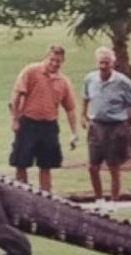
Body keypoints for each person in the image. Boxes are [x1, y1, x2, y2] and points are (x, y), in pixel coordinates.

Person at [8, 44, 79, 193]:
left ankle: (46, 196)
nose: (54, 64)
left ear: (62, 62)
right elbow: (16, 96)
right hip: (28, 122)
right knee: (22, 161)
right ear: (46, 57)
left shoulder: (63, 81)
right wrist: (14, 119)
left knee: (46, 164)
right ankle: (21, 194)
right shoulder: (31, 71)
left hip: (49, 125)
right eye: (52, 59)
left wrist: (74, 133)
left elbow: (70, 109)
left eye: (58, 61)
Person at [80, 46, 131, 208]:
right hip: (97, 126)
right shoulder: (90, 79)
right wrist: (83, 114)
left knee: (113, 166)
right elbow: (86, 97)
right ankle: (98, 199)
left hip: (116, 126)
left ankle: (114, 202)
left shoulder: (122, 82)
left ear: (112, 64)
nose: (103, 66)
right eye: (101, 63)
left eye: (107, 63)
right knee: (93, 166)